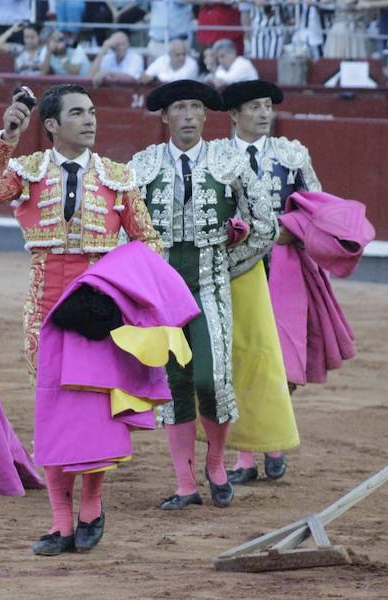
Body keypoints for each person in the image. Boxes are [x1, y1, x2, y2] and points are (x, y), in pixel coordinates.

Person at [0, 83, 162, 554]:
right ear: (51, 125)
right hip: (47, 303)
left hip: (100, 304)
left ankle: (91, 506)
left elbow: (149, 240)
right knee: (53, 413)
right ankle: (60, 521)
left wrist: (121, 287)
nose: (90, 120)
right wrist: (8, 136)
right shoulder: (26, 169)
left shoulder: (119, 176)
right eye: (78, 113)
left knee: (93, 411)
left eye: (92, 112)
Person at [129, 79, 277, 510]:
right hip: (161, 292)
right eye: (180, 108)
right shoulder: (142, 164)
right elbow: (123, 228)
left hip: (210, 288)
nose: (189, 115)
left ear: (206, 115)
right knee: (174, 383)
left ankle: (215, 464)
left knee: (210, 379)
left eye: (196, 107)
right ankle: (183, 483)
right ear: (165, 116)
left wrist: (224, 264)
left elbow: (265, 224)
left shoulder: (228, 161)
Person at [220, 79, 320, 484]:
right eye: (255, 107)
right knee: (243, 355)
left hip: (284, 265)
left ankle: (273, 443)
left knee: (279, 356)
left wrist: (286, 231)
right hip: (237, 266)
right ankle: (248, 454)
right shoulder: (218, 158)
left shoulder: (292, 156)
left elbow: (318, 208)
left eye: (267, 106)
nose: (265, 114)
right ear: (233, 115)